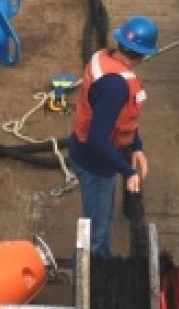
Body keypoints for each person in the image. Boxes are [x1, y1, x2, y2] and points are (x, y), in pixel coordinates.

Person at [67, 15, 158, 258]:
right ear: (144, 54)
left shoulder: (103, 57)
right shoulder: (116, 86)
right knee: (95, 227)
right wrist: (127, 171)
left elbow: (121, 119)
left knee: (102, 214)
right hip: (94, 164)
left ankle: (102, 256)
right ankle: (92, 273)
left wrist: (136, 146)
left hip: (89, 154)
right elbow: (98, 139)